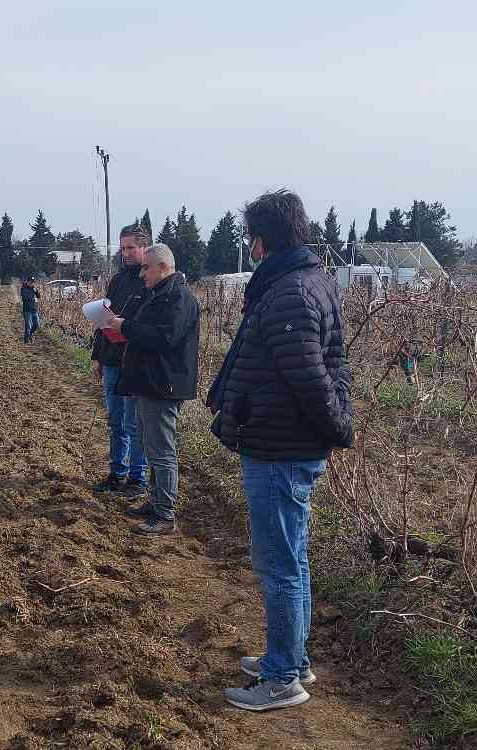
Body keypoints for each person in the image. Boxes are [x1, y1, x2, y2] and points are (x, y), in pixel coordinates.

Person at [207, 189, 355, 713]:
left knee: (280, 565)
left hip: (281, 447)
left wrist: (336, 427)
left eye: (250, 237)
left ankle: (282, 678)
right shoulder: (306, 280)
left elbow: (311, 378)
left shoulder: (290, 291)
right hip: (284, 441)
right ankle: (292, 654)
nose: (249, 246)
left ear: (263, 239)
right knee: (293, 558)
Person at [103, 243, 199, 536]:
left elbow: (164, 338)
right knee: (150, 445)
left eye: (147, 267)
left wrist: (126, 327)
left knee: (162, 451)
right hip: (149, 383)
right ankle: (155, 502)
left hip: (163, 386)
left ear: (164, 268)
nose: (142, 273)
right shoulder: (159, 295)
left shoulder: (178, 298)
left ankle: (165, 514)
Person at [89, 226, 150, 497]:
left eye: (130, 248)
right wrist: (97, 356)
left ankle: (138, 479)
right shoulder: (116, 281)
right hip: (112, 361)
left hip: (135, 363)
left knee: (134, 424)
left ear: (144, 247)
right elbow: (104, 320)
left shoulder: (150, 281)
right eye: (122, 248)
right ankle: (117, 473)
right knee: (115, 421)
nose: (125, 253)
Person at [19, 275, 42, 343]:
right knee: (28, 327)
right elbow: (25, 298)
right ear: (27, 282)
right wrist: (33, 299)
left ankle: (30, 335)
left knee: (36, 324)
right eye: (31, 282)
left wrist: (36, 290)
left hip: (34, 309)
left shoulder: (33, 288)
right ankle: (26, 342)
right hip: (27, 310)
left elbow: (39, 296)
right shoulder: (23, 288)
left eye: (33, 282)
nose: (32, 283)